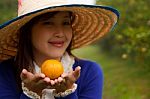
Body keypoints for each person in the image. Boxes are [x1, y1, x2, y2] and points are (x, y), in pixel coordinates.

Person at [0, 0, 119, 99]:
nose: (60, 33)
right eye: (48, 23)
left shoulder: (89, 72)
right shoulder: (5, 72)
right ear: (27, 31)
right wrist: (31, 94)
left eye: (66, 23)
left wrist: (67, 93)